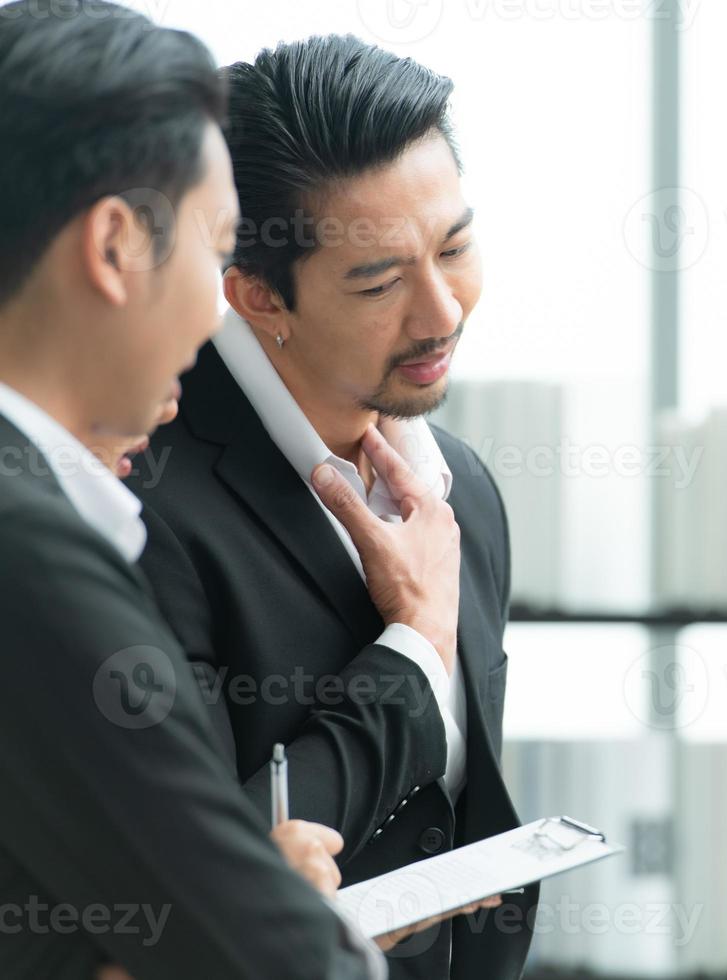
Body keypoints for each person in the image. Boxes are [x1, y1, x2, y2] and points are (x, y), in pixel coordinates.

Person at [128, 34, 532, 979]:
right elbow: (195, 875)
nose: (442, 312)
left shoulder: (464, 485)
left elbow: (461, 805)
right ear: (258, 295)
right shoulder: (135, 502)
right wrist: (415, 651)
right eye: (381, 280)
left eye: (456, 247)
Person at [0, 2, 388, 976]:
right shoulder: (34, 553)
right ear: (117, 245)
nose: (223, 303)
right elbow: (288, 960)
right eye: (216, 254)